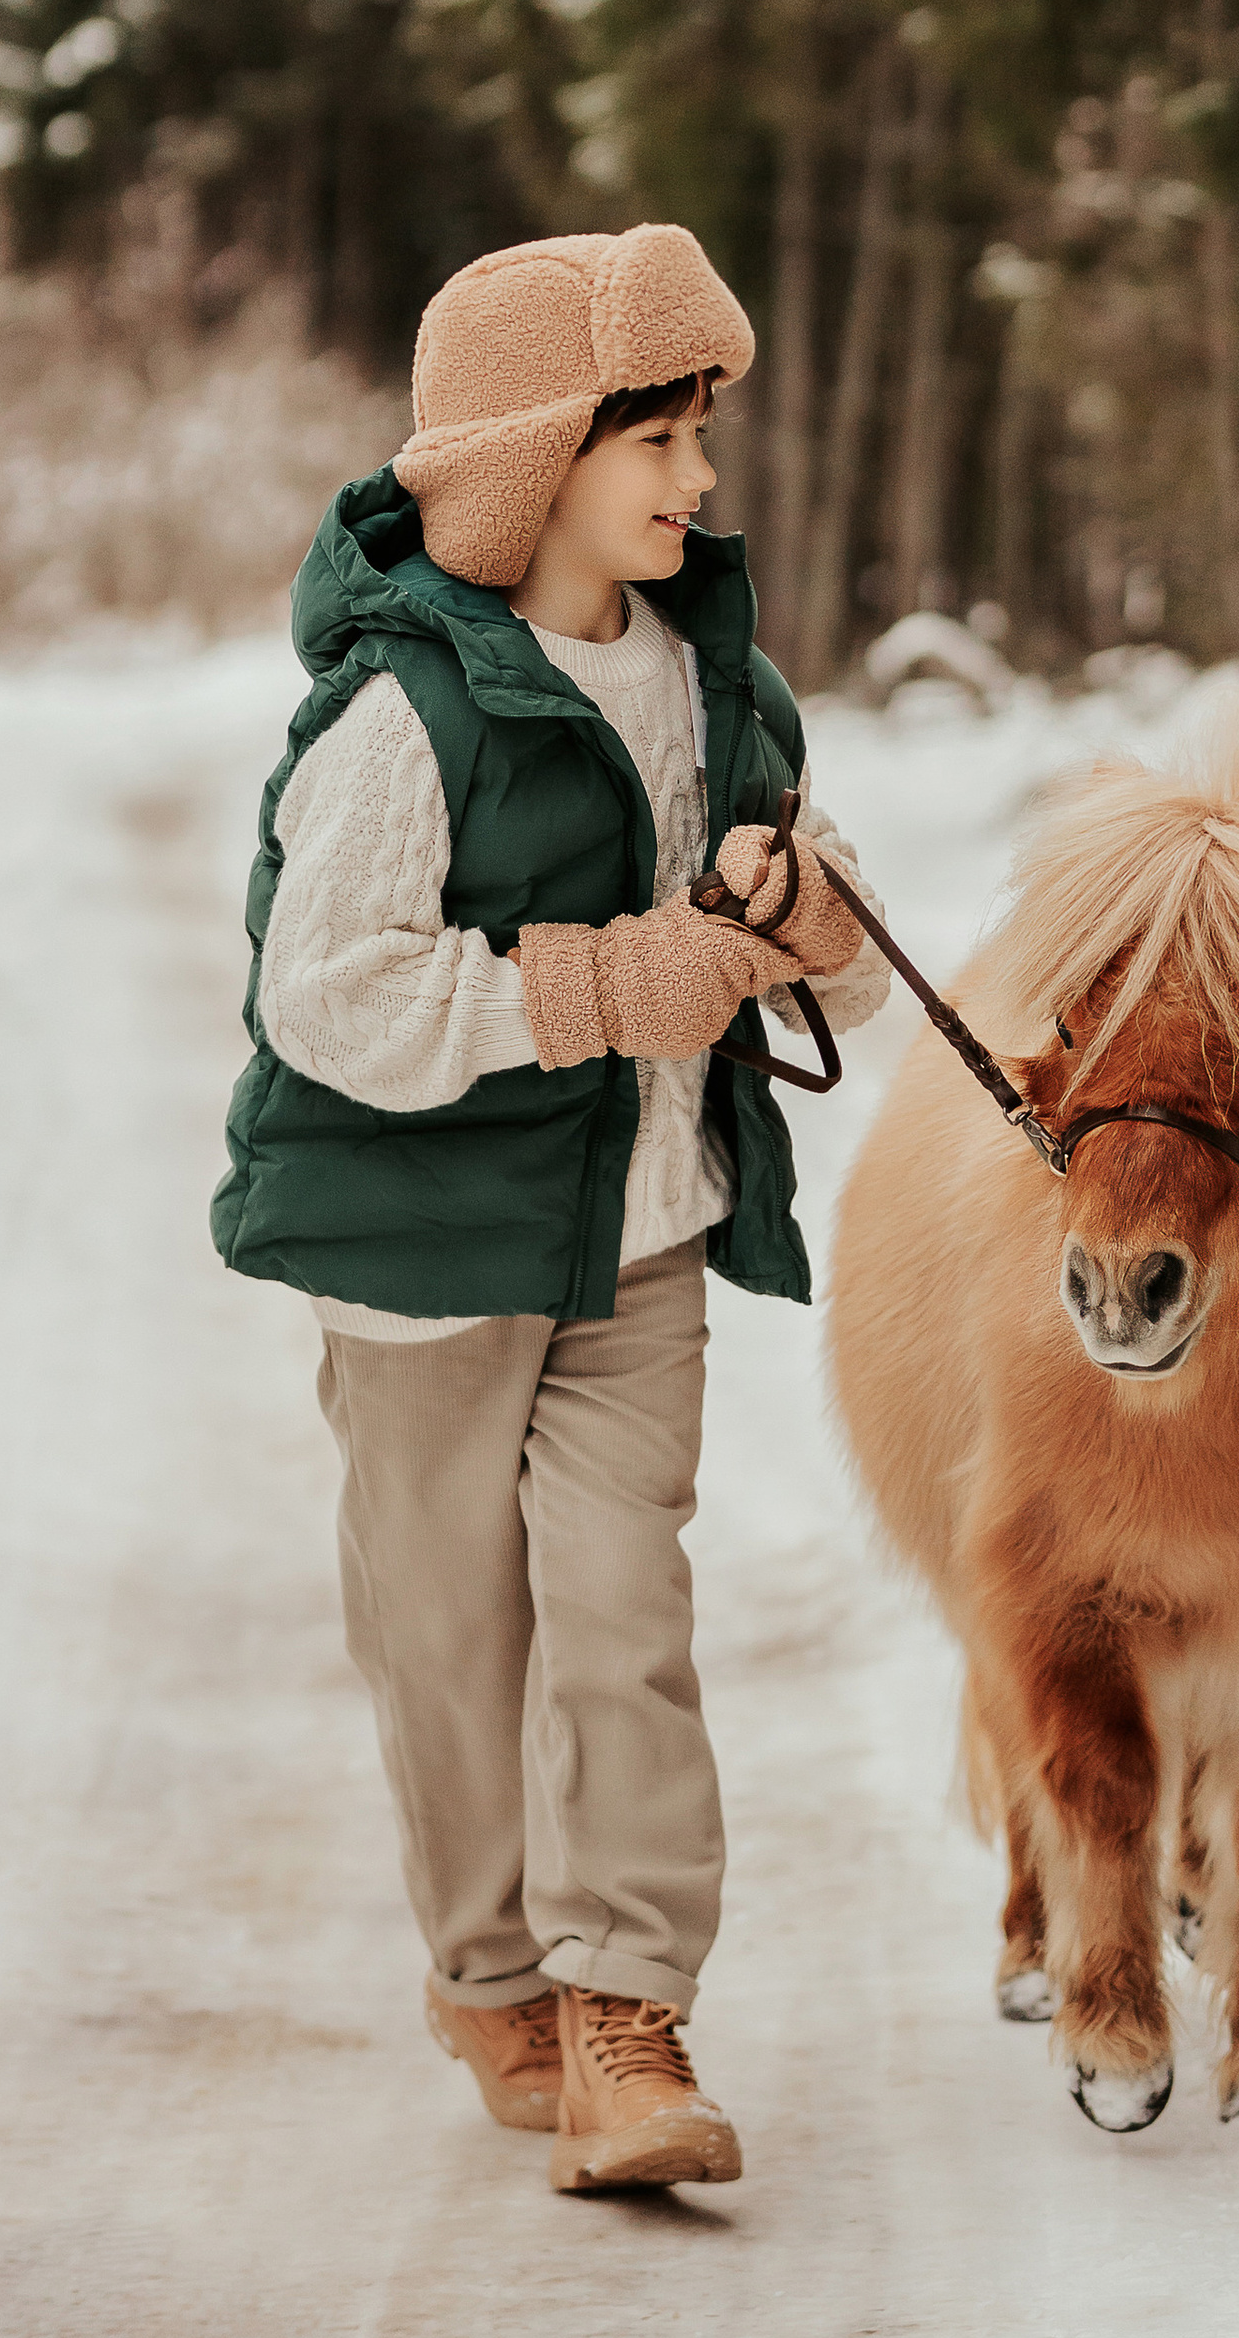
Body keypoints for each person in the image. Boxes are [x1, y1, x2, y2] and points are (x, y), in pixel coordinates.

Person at [214, 224, 890, 2193]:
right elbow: (323, 994)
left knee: (622, 1621)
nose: (694, 480)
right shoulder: (400, 717)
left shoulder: (721, 680)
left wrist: (809, 926)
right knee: (450, 1640)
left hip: (642, 1231)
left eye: (697, 436)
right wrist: (602, 982)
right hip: (423, 1265)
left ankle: (624, 2012)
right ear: (532, 454)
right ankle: (488, 1963)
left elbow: (822, 970)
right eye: (654, 438)